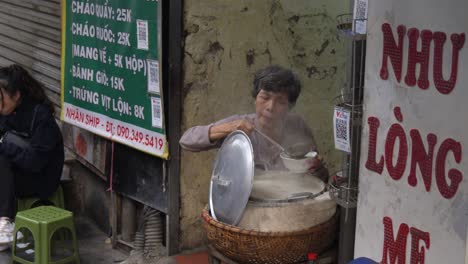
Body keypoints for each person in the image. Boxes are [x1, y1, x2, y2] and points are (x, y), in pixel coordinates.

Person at [180, 65, 321, 171]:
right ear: (255, 98)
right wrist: (229, 128)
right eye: (265, 97)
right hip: (245, 202)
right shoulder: (241, 125)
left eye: (280, 101)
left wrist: (317, 169)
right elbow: (186, 141)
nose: (270, 107)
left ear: (289, 106)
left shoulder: (298, 126)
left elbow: (315, 168)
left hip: (286, 200)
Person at [0, 64, 64, 250]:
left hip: (40, 178)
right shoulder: (7, 112)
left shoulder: (41, 118)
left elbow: (35, 161)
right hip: (16, 170)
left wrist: (4, 146)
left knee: (1, 156)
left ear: (16, 95)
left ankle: (5, 222)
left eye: (1, 97)